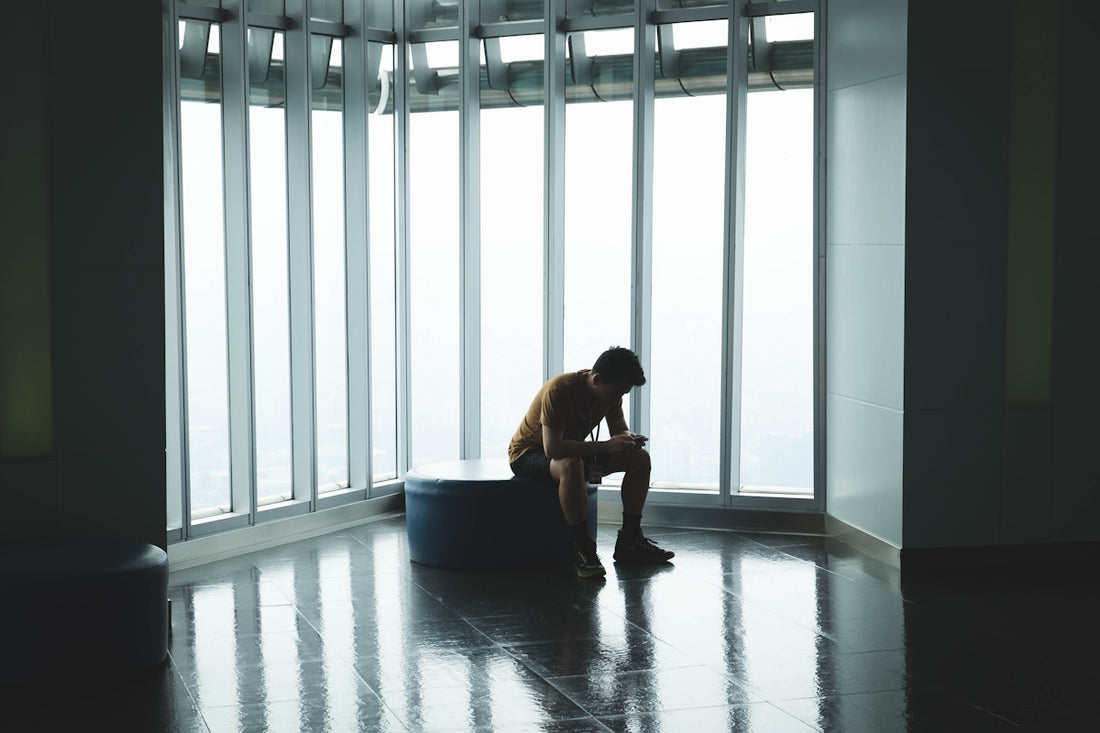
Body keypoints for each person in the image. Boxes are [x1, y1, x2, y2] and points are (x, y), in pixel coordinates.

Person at [508, 346, 674, 579]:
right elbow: (552, 447)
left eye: (622, 395)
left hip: (573, 449)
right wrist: (606, 447)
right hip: (529, 454)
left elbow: (618, 429)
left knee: (639, 458)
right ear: (596, 380)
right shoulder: (560, 390)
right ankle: (583, 548)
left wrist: (626, 439)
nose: (618, 399)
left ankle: (630, 539)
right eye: (615, 393)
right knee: (571, 465)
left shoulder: (610, 392)